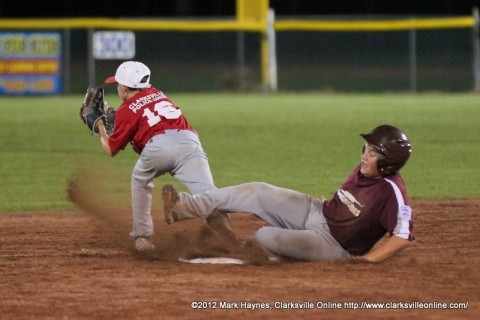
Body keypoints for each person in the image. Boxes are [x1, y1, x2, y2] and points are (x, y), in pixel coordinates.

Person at [161, 124, 414, 263]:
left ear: (387, 164)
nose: (364, 155)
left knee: (264, 237)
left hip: (334, 245)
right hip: (319, 211)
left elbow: (402, 236)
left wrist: (369, 260)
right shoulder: (366, 170)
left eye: (372, 153)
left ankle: (242, 249)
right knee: (258, 191)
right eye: (366, 148)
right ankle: (182, 208)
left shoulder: (392, 192)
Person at [96, 61, 217, 252]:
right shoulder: (158, 93)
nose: (117, 88)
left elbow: (111, 149)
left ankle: (142, 237)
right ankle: (228, 237)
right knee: (211, 196)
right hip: (189, 143)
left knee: (140, 180)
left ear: (125, 89)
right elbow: (145, 112)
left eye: (118, 84)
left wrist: (100, 126)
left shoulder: (126, 110)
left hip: (158, 148)